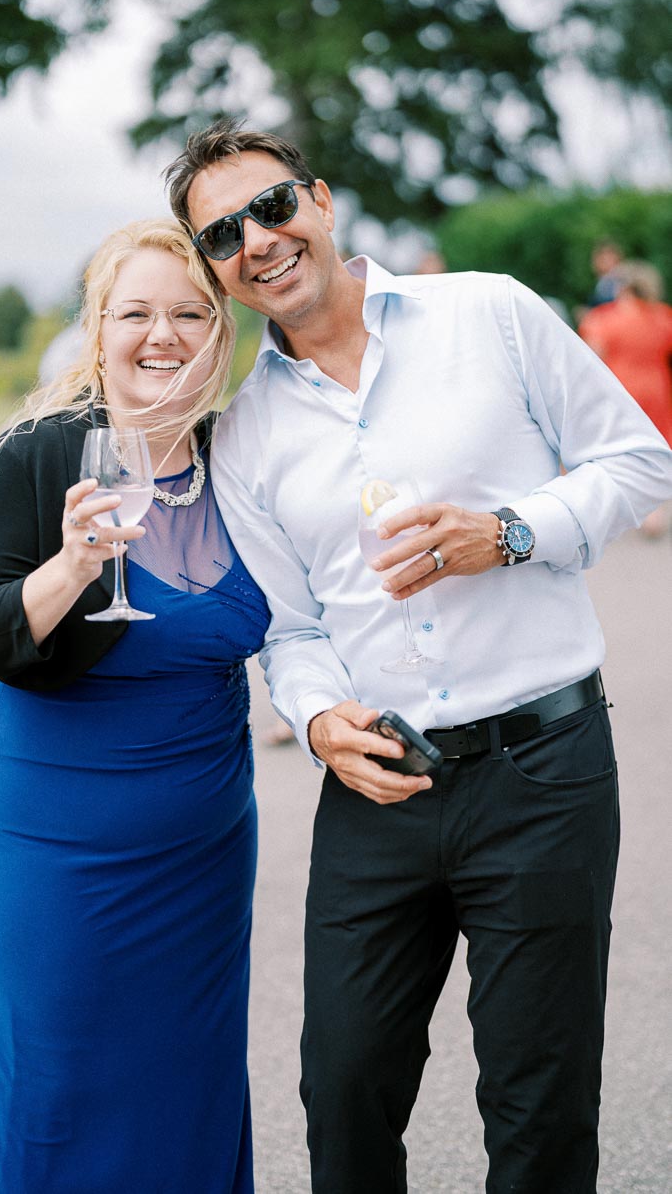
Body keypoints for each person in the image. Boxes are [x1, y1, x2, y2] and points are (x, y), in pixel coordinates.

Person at [163, 120, 672, 1194]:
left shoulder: (488, 311)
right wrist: (315, 720)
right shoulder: (246, 429)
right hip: (379, 792)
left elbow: (638, 460)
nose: (257, 240)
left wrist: (511, 531)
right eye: (222, 234)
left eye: (271, 207)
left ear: (322, 199)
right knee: (342, 1095)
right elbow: (294, 632)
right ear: (214, 269)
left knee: (539, 1110)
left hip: (546, 770)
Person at [0, 218, 269, 1194]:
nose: (161, 334)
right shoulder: (37, 456)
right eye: (135, 312)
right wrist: (74, 564)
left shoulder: (244, 463)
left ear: (221, 331)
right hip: (57, 844)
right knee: (53, 1089)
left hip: (203, 852)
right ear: (98, 331)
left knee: (186, 1084)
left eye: (189, 312)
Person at [580, 260, 672, 536]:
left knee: (613, 453)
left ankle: (610, 516)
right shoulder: (664, 316)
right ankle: (654, 515)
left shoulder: (602, 318)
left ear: (622, 287)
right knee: (655, 450)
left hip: (619, 391)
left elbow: (590, 357)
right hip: (656, 388)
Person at [589, 237, 625, 307]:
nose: (604, 259)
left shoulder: (616, 283)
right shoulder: (603, 282)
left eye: (609, 255)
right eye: (601, 255)